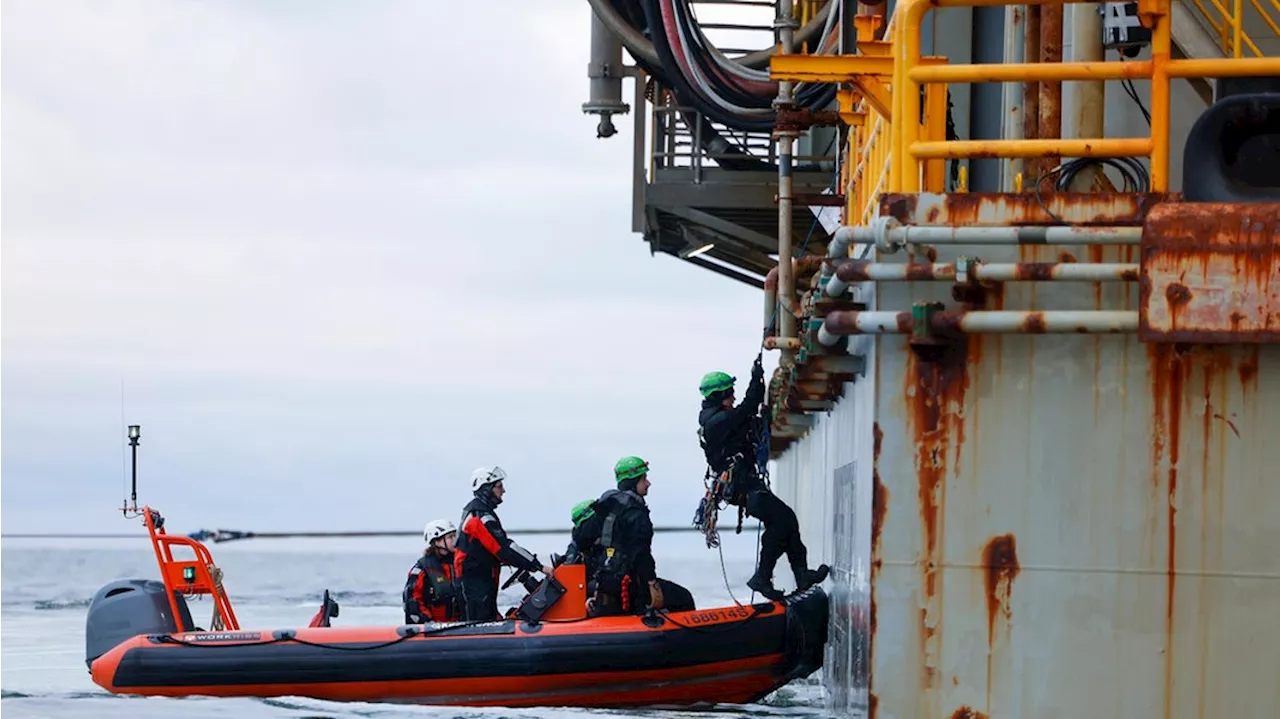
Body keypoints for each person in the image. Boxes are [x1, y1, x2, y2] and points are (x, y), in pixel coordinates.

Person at [698, 358, 830, 601]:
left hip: (746, 484)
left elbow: (747, 420)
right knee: (783, 520)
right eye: (729, 395)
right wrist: (756, 379)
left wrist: (763, 418)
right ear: (719, 396)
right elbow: (747, 407)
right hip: (743, 487)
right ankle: (764, 576)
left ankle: (799, 575)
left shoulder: (719, 420)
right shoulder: (716, 422)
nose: (733, 398)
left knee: (784, 520)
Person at [585, 456, 695, 616]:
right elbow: (641, 555)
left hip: (604, 581)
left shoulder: (604, 507)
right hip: (630, 584)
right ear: (633, 481)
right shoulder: (636, 514)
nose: (648, 483)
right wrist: (652, 583)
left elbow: (583, 539)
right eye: (644, 479)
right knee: (683, 598)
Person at [453, 465, 553, 621]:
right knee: (479, 618)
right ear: (487, 489)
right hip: (475, 581)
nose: (503, 491)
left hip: (481, 578)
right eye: (499, 486)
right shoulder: (480, 517)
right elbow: (504, 548)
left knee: (486, 613)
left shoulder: (480, 513)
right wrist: (539, 566)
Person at [402, 518, 459, 624]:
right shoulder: (422, 569)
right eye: (450, 537)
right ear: (437, 541)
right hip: (433, 626)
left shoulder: (459, 563)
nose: (455, 540)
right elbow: (413, 600)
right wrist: (428, 622)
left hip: (459, 626)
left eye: (455, 536)